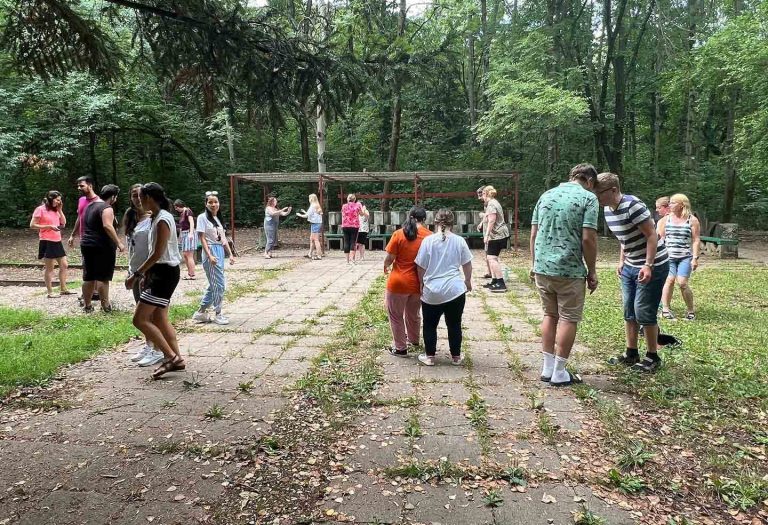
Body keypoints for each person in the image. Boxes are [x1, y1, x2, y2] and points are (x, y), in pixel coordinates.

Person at [530, 163, 599, 386]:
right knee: (568, 318)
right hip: (570, 270)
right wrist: (592, 270)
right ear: (590, 181)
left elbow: (534, 234)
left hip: (542, 268)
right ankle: (559, 372)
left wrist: (534, 263)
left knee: (549, 315)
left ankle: (547, 368)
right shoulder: (588, 198)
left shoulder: (546, 195)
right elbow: (588, 238)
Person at [594, 172, 669, 373]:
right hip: (630, 265)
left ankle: (652, 357)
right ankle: (631, 353)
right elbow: (624, 238)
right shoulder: (607, 209)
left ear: (613, 190)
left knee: (643, 310)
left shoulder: (633, 206)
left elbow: (652, 235)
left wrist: (648, 265)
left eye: (599, 193)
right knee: (629, 310)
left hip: (654, 264)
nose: (596, 197)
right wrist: (622, 261)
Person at [125, 183, 185, 380]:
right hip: (159, 272)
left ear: (149, 198)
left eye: (141, 197)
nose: (139, 201)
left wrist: (137, 275)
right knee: (159, 318)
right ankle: (178, 359)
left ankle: (170, 357)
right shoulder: (156, 217)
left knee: (139, 319)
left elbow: (157, 253)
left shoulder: (162, 220)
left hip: (165, 274)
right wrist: (147, 274)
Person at [414, 209, 473, 366]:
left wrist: (421, 283)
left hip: (432, 291)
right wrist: (467, 281)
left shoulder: (428, 241)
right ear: (453, 223)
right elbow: (467, 264)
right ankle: (456, 356)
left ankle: (430, 356)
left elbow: (420, 266)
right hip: (454, 290)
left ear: (435, 222)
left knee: (429, 325)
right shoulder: (459, 241)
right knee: (454, 324)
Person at [123, 184, 163, 366]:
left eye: (140, 195)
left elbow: (156, 249)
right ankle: (149, 344)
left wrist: (145, 272)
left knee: (150, 314)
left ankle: (158, 349)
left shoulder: (155, 218)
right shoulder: (131, 217)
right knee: (140, 310)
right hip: (135, 270)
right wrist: (131, 270)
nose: (137, 199)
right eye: (134, 195)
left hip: (149, 271)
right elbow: (132, 248)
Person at [384, 206, 431, 357]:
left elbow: (390, 258)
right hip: (419, 282)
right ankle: (414, 339)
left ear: (410, 216)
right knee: (413, 313)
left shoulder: (399, 234)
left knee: (395, 315)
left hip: (398, 282)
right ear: (424, 219)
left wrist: (385, 266)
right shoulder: (430, 236)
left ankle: (400, 348)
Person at [80, 184, 125, 313]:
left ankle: (87, 306)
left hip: (87, 244)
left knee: (89, 276)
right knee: (103, 277)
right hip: (102, 245)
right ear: (113, 196)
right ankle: (106, 306)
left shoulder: (90, 206)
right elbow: (107, 226)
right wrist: (119, 243)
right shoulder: (106, 208)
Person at [193, 191, 236, 325]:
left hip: (219, 251)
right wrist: (209, 255)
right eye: (210, 202)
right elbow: (202, 238)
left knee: (214, 284)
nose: (213, 204)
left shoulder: (217, 218)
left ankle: (201, 313)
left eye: (215, 202)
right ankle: (218, 313)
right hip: (210, 251)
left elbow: (223, 239)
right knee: (219, 285)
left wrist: (230, 254)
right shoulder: (202, 217)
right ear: (206, 204)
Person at [658, 193, 701, 320]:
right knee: (669, 280)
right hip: (668, 257)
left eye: (673, 203)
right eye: (669, 203)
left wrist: (695, 258)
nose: (669, 205)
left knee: (682, 283)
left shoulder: (692, 220)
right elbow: (659, 239)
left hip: (685, 257)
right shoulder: (665, 220)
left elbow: (696, 240)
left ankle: (690, 311)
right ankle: (665, 310)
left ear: (681, 205)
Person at [30, 190, 73, 298]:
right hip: (46, 240)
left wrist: (60, 210)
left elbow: (64, 223)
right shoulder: (40, 209)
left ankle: (63, 289)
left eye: (60, 200)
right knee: (50, 268)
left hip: (57, 240)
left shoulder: (56, 210)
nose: (59, 202)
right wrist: (48, 226)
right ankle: (50, 292)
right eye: (57, 200)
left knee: (64, 265)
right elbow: (32, 225)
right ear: (50, 199)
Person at [481, 186, 511, 293]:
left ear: (486, 194)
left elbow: (492, 220)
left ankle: (501, 283)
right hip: (499, 234)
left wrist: (486, 235)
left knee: (492, 258)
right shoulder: (494, 202)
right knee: (492, 258)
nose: (481, 197)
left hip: (497, 235)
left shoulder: (491, 204)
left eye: (482, 194)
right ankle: (494, 281)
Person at [67, 176, 99, 248]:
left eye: (81, 186)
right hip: (83, 239)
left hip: (96, 240)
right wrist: (72, 235)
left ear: (90, 186)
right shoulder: (81, 200)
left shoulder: (99, 202)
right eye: (78, 186)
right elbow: (79, 217)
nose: (78, 188)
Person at [174, 199, 197, 280]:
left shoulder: (188, 211)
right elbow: (181, 227)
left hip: (188, 233)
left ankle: (192, 274)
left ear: (179, 205)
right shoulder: (182, 214)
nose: (176, 209)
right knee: (185, 254)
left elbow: (191, 222)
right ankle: (189, 273)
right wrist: (180, 237)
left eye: (176, 207)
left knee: (189, 254)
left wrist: (191, 233)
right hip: (184, 234)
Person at [296, 194, 324, 260]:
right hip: (316, 223)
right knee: (312, 239)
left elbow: (306, 216)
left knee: (316, 240)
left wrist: (299, 215)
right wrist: (304, 212)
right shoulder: (316, 205)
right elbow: (313, 214)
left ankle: (319, 255)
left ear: (311, 199)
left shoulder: (312, 206)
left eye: (309, 198)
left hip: (315, 224)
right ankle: (309, 254)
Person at [341, 194, 364, 264]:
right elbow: (362, 214)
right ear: (354, 199)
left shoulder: (344, 206)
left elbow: (343, 214)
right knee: (353, 242)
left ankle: (347, 261)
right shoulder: (357, 206)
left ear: (348, 199)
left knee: (346, 241)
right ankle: (352, 260)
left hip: (345, 225)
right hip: (354, 226)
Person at [475, 185, 492, 280]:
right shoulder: (486, 203)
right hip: (485, 230)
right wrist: (481, 223)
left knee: (490, 253)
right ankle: (489, 272)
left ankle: (492, 272)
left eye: (480, 195)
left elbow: (491, 216)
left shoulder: (491, 203)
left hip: (490, 232)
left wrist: (482, 215)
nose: (479, 198)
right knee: (487, 252)